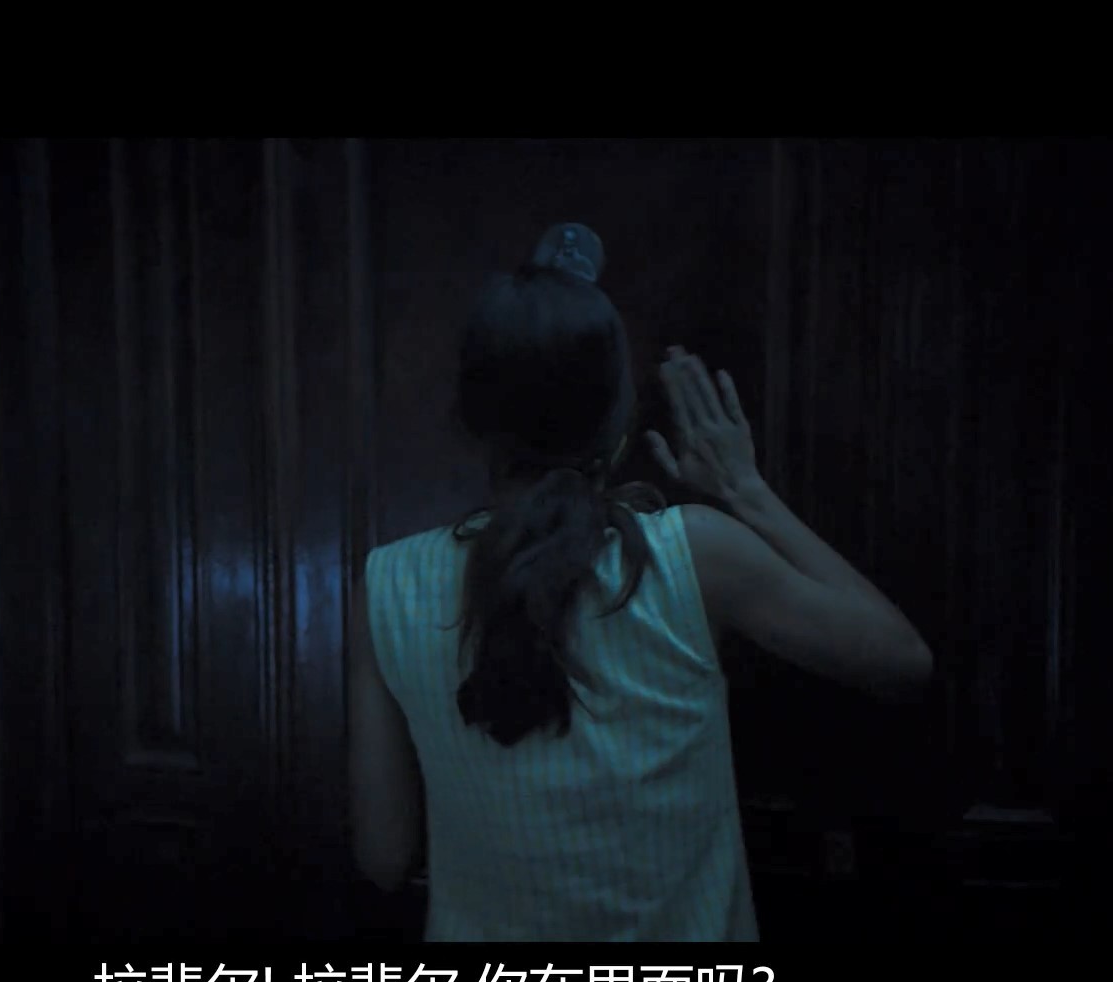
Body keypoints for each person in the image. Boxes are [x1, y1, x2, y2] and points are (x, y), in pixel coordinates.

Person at [347, 224, 933, 941]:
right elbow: (902, 660)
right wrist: (747, 492)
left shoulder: (387, 586)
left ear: (474, 421)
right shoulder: (692, 555)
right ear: (617, 423)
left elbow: (382, 857)